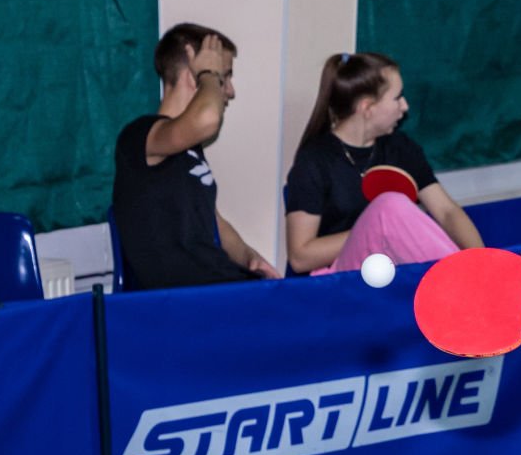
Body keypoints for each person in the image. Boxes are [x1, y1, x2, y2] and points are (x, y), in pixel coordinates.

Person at [112, 23, 280, 289]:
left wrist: (250, 258)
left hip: (215, 285)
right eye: (224, 78)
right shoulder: (139, 136)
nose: (230, 91)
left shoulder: (189, 150)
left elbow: (215, 221)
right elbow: (207, 119)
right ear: (194, 73)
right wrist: (209, 73)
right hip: (183, 297)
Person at [284, 52, 483, 275]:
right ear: (367, 108)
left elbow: (447, 211)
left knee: (392, 211)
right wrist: (374, 229)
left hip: (392, 273)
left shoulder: (401, 147)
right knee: (389, 205)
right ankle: (466, 283)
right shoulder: (314, 160)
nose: (405, 106)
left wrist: (482, 259)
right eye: (397, 98)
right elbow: (300, 257)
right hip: (339, 278)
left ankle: (476, 277)